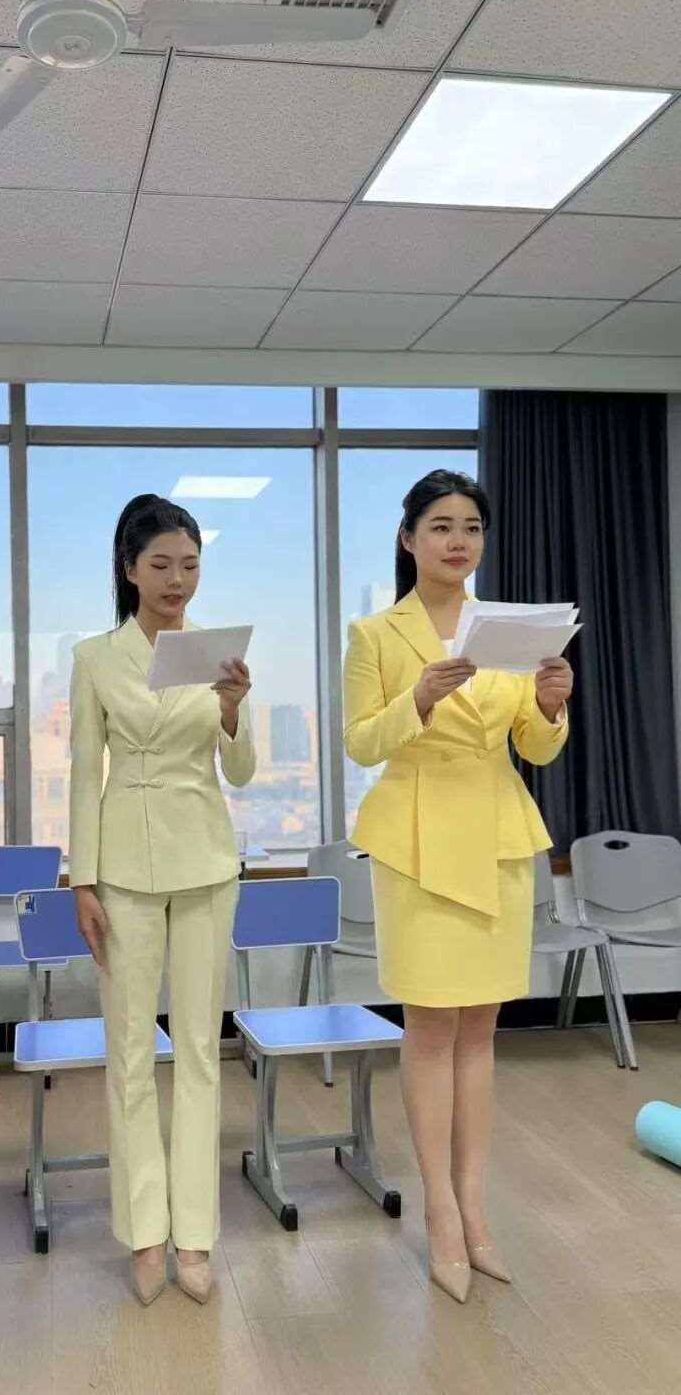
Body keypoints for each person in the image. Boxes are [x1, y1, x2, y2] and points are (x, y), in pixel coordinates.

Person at [343, 470, 572, 1303]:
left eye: (471, 526)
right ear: (409, 539)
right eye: (440, 525)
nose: (458, 540)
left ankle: (476, 1210)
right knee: (432, 1027)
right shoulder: (376, 634)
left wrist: (551, 706)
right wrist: (417, 699)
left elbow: (534, 747)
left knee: (482, 1030)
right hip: (416, 838)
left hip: (497, 833)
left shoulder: (509, 628)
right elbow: (361, 743)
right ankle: (439, 1210)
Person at [69, 494, 255, 1306]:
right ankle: (146, 1234)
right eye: (161, 565)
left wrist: (233, 711)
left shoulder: (217, 654)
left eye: (190, 565)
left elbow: (240, 771)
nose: (177, 580)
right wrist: (81, 879)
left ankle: (196, 1237)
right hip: (123, 867)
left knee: (203, 1052)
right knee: (131, 1055)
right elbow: (85, 771)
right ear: (129, 569)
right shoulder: (95, 657)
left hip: (206, 858)